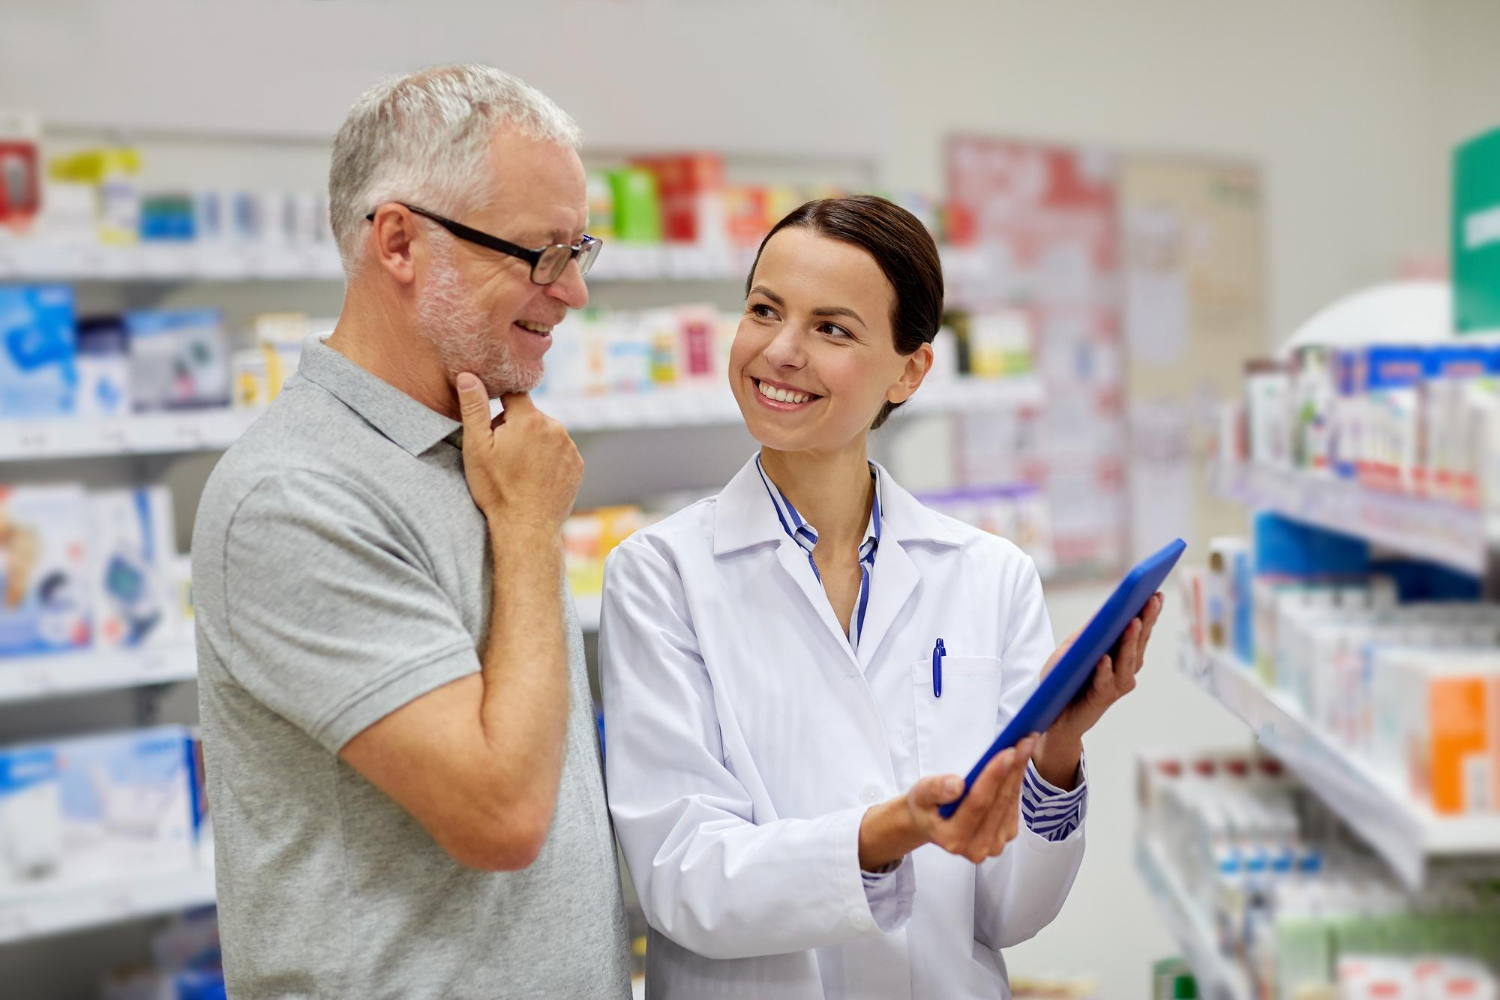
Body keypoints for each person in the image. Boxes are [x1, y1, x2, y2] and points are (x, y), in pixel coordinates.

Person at [600, 195, 1164, 999]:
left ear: (910, 368)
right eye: (765, 310)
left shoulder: (989, 576)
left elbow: (1009, 913)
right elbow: (685, 877)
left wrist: (1056, 756)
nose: (780, 351)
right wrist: (886, 833)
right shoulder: (661, 573)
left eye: (831, 328)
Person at [193, 65, 630, 999]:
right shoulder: (295, 495)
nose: (572, 293)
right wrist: (525, 531)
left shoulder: (489, 449)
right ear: (399, 242)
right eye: (540, 254)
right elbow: (500, 815)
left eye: (579, 250)